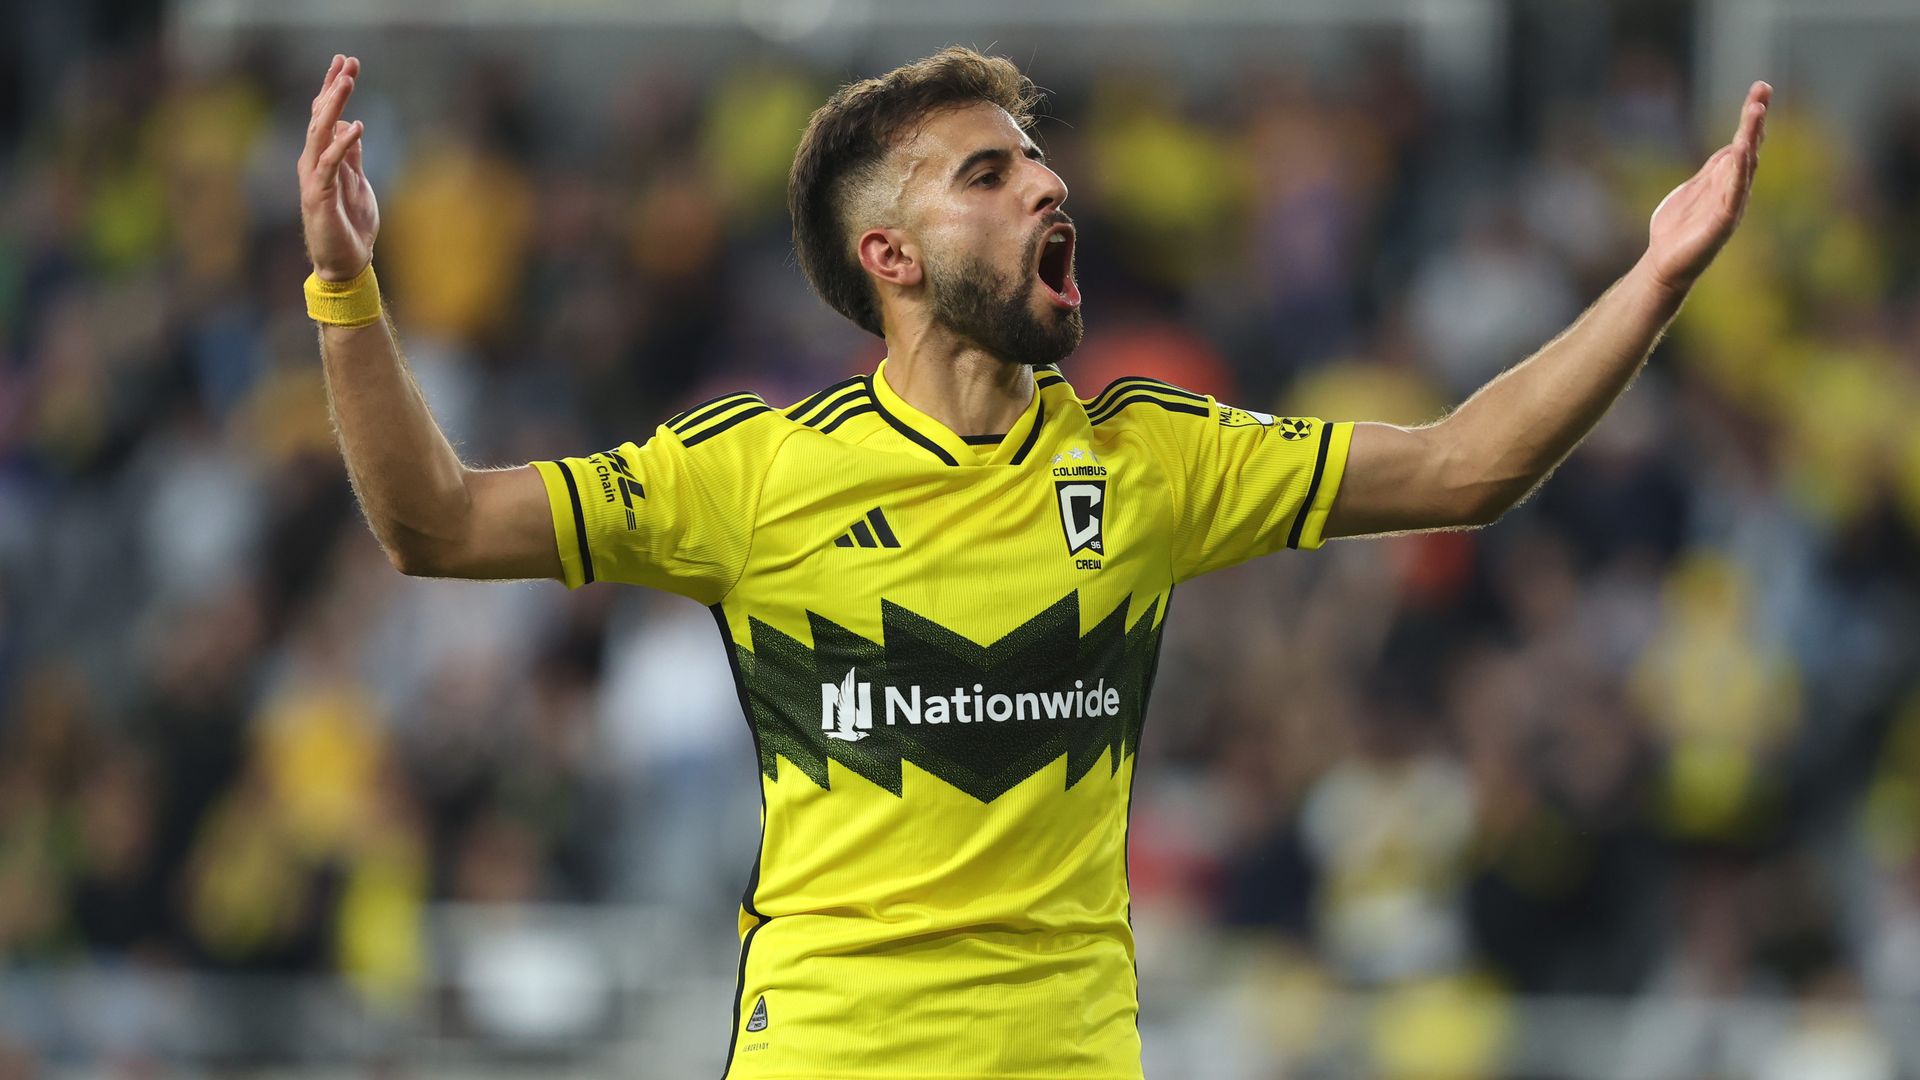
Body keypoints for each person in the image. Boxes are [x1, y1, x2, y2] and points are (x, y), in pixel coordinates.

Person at [297, 47, 1769, 1080]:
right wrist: (348, 290)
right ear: (889, 255)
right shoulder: (750, 474)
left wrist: (1652, 282)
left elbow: (1468, 465)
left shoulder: (1152, 458)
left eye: (1043, 165)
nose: (1048, 191)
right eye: (990, 175)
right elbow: (435, 523)